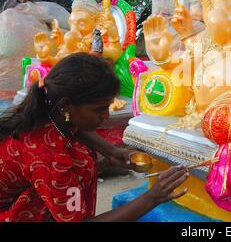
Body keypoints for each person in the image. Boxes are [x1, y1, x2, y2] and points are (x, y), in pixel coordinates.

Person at [0, 52, 189, 222]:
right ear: (66, 106)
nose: (106, 115)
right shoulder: (47, 156)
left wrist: (112, 151)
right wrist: (153, 197)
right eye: (99, 109)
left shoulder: (55, 112)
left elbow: (76, 129)